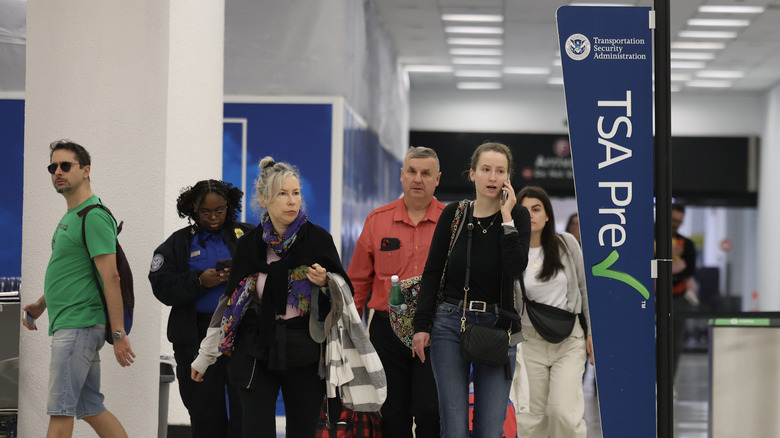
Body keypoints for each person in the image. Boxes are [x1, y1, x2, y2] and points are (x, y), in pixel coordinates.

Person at [190, 157, 352, 437]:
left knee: (303, 431)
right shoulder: (249, 245)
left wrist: (327, 282)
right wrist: (205, 356)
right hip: (257, 347)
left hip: (305, 348)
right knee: (255, 430)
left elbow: (345, 294)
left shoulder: (317, 240)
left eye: (296, 193)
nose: (292, 201)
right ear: (264, 200)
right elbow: (229, 305)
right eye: (282, 194)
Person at [413, 142, 530, 438]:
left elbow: (516, 268)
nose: (492, 177)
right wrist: (421, 325)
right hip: (450, 323)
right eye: (486, 170)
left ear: (508, 178)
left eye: (500, 171)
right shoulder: (454, 214)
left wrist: (506, 217)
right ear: (472, 174)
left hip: (498, 326)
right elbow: (432, 271)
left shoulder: (518, 217)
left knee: (490, 430)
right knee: (453, 427)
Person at [22, 140, 135, 438]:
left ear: (85, 171)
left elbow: (110, 277)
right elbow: (72, 272)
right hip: (73, 325)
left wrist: (119, 334)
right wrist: (41, 304)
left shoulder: (93, 216)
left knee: (60, 411)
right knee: (90, 408)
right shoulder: (72, 216)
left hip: (79, 326)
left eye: (65, 165)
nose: (58, 171)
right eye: (53, 167)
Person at [347, 146, 444, 437]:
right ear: (401, 176)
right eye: (412, 172)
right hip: (386, 330)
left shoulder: (452, 221)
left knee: (431, 410)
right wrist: (349, 334)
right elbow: (359, 282)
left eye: (426, 173)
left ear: (437, 179)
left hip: (437, 330)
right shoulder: (378, 219)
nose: (418, 179)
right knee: (391, 413)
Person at [149, 180, 254, 437]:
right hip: (194, 335)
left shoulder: (247, 235)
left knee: (246, 409)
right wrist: (198, 281)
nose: (214, 217)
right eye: (205, 212)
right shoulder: (179, 243)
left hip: (241, 333)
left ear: (229, 207)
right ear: (193, 210)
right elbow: (160, 285)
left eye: (220, 210)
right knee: (204, 409)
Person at [515, 186, 592, 438]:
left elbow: (584, 288)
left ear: (547, 215)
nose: (531, 215)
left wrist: (592, 333)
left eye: (536, 209)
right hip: (528, 342)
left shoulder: (567, 244)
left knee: (562, 414)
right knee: (530, 419)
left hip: (569, 339)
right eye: (524, 210)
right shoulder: (512, 251)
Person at [671, 203, 697, 380]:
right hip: (649, 296)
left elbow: (690, 270)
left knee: (674, 343)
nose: (676, 225)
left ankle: (668, 381)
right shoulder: (647, 239)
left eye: (679, 221)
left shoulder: (686, 244)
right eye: (673, 220)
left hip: (677, 297)